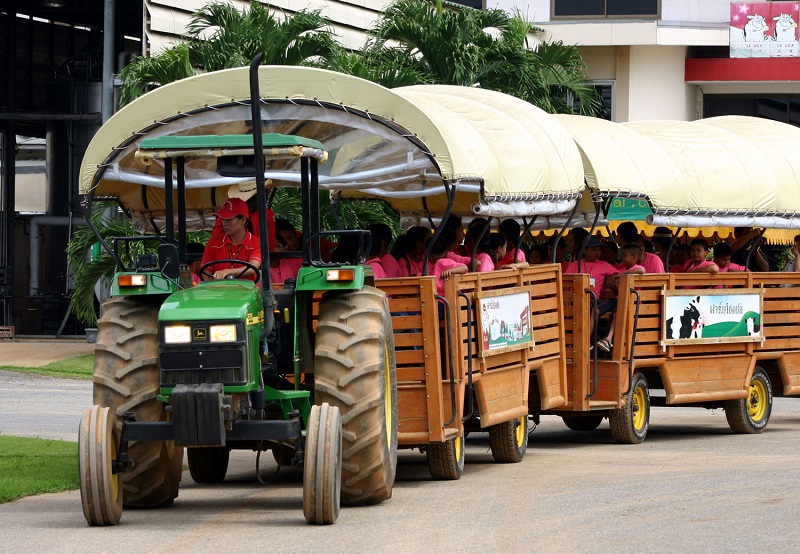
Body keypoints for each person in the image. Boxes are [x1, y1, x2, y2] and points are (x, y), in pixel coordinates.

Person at [596, 244, 646, 353]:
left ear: (634, 257)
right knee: (596, 310)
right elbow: (617, 291)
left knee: (616, 313)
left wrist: (620, 275)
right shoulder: (621, 270)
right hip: (618, 299)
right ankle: (589, 341)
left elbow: (641, 271)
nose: (622, 258)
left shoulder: (636, 268)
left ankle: (608, 339)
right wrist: (614, 287)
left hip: (630, 301)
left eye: (625, 256)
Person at [201, 198, 262, 282]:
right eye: (222, 219)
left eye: (228, 219)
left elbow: (253, 268)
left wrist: (227, 272)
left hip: (246, 291)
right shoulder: (214, 242)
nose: (224, 223)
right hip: (220, 292)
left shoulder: (255, 242)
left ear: (243, 220)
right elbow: (205, 273)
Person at [211, 181, 276, 251]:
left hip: (252, 256)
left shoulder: (266, 213)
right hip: (236, 256)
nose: (255, 201)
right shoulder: (229, 212)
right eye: (251, 198)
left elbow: (270, 244)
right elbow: (216, 241)